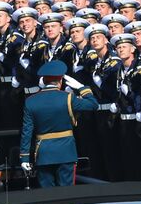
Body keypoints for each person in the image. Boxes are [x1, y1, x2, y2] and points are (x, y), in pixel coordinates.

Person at [20, 59, 98, 187]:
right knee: (67, 193)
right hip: (66, 152)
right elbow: (93, 105)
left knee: (47, 194)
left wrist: (24, 157)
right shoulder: (68, 98)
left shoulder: (31, 101)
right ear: (60, 81)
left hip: (43, 153)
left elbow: (27, 132)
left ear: (43, 81)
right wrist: (82, 88)